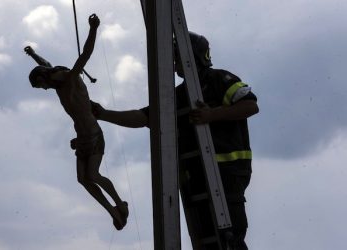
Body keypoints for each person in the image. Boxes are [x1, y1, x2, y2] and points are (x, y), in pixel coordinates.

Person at [91, 32, 259, 248]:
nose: (174, 62)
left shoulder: (219, 80)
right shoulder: (177, 95)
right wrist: (104, 114)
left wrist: (212, 115)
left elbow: (250, 106)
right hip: (197, 175)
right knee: (209, 240)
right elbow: (143, 117)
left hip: (228, 173)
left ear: (192, 55)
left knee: (229, 237)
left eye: (177, 56)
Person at [24, 14, 128, 231]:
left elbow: (86, 54)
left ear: (45, 78)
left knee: (93, 175)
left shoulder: (70, 78)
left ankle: (120, 204)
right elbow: (45, 64)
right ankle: (114, 212)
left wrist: (93, 28)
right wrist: (33, 54)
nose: (43, 90)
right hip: (81, 137)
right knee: (83, 179)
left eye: (41, 86)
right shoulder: (56, 82)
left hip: (93, 133)